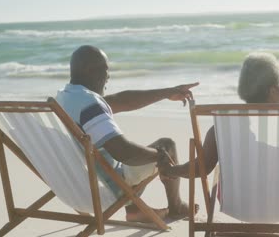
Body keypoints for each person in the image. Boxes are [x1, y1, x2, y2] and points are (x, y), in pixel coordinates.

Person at [55, 45, 199, 222]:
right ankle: (176, 207)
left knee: (117, 154)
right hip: (108, 187)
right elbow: (125, 153)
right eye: (105, 69)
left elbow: (120, 101)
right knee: (166, 145)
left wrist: (168, 92)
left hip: (74, 187)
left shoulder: (64, 98)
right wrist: (160, 156)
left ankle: (135, 209)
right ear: (89, 70)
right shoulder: (89, 103)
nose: (108, 76)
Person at [158, 52, 279, 179]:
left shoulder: (226, 126)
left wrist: (170, 171)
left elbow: (201, 168)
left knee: (219, 174)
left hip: (236, 198)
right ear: (273, 91)